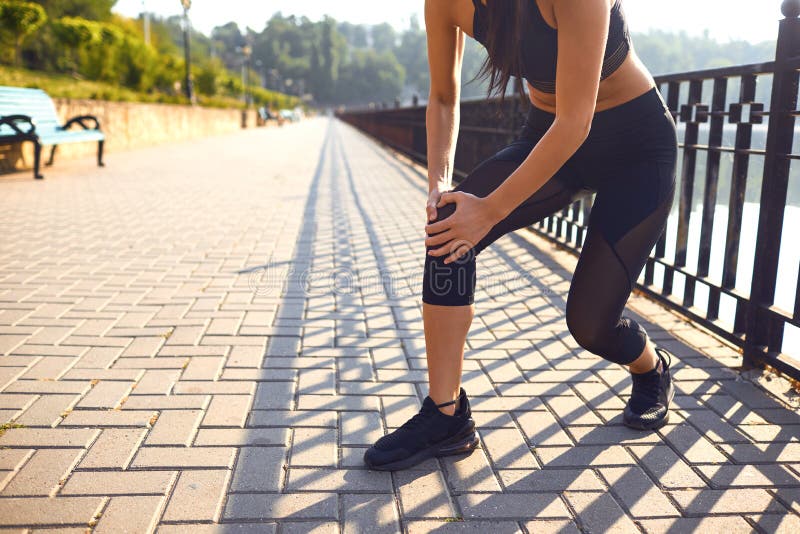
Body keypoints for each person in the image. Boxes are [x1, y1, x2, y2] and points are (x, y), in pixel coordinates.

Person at [364, 0, 678, 471]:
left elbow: (576, 121)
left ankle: (652, 368)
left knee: (591, 326)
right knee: (448, 231)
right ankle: (446, 415)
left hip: (635, 150)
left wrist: (489, 211)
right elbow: (444, 98)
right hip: (547, 138)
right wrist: (439, 186)